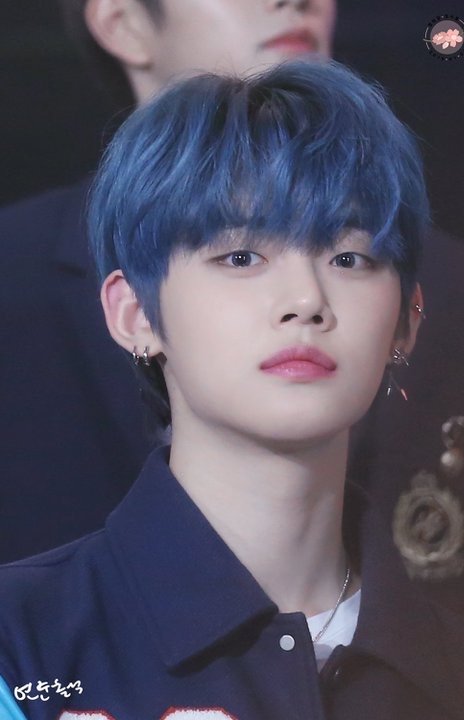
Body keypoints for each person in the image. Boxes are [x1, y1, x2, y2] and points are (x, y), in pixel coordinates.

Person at [1, 59, 464, 720]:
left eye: (349, 258)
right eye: (241, 257)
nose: (306, 300)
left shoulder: (462, 670)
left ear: (407, 320)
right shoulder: (20, 644)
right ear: (135, 314)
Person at [0, 0, 336, 563]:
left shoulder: (451, 287)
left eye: (350, 260)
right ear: (125, 22)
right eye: (240, 257)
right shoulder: (13, 278)